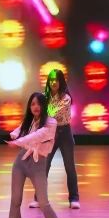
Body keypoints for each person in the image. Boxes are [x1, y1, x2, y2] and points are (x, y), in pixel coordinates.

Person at [5, 92, 69, 218]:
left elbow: (37, 136)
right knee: (15, 199)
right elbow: (20, 130)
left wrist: (18, 141)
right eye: (32, 104)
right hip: (21, 162)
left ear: (44, 105)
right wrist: (14, 134)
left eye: (39, 103)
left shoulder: (51, 123)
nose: (35, 107)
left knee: (43, 202)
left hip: (38, 164)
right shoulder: (29, 121)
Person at [40, 68, 79, 209]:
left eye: (56, 80)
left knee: (69, 167)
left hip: (64, 133)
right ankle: (39, 198)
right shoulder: (44, 97)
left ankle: (74, 198)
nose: (53, 82)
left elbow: (52, 115)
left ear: (61, 81)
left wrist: (42, 112)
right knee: (44, 166)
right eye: (51, 80)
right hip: (50, 134)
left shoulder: (66, 98)